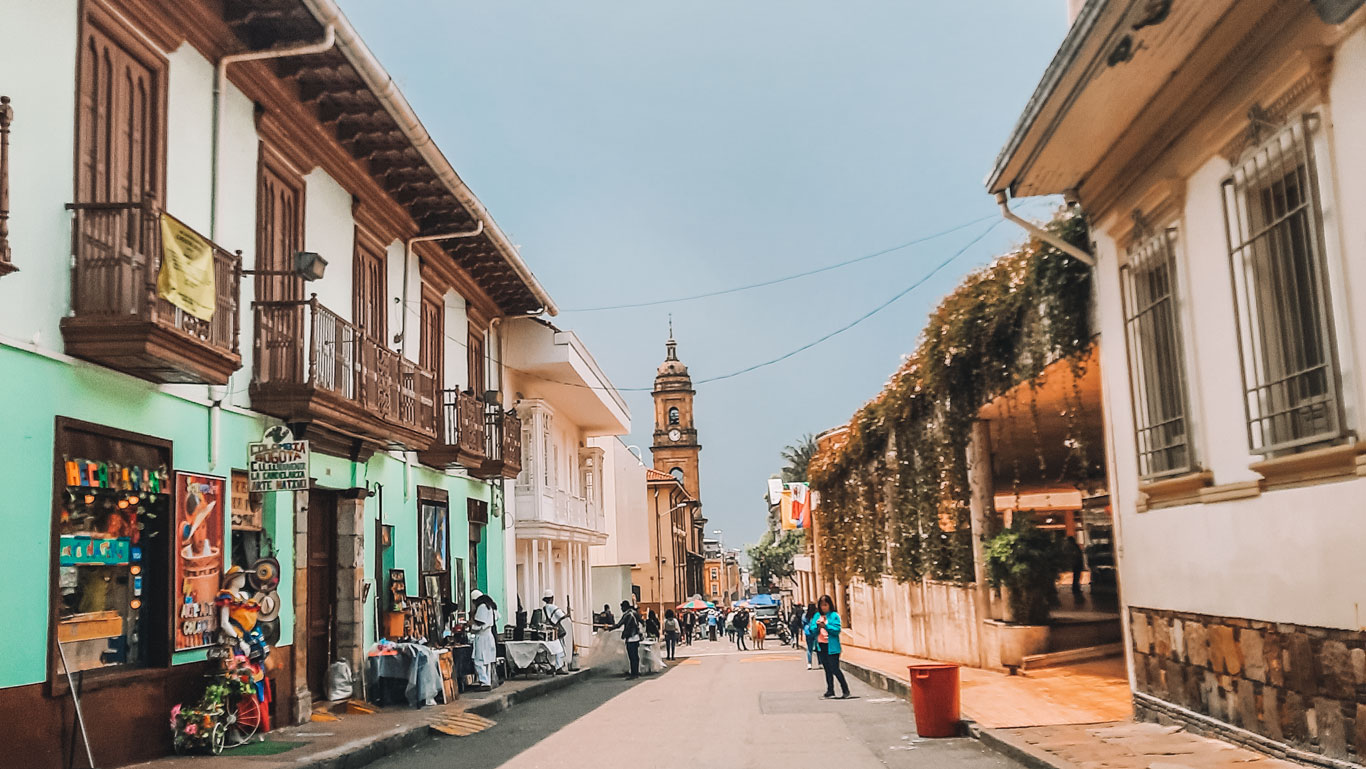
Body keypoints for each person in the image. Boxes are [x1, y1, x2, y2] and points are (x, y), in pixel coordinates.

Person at [810, 595, 851, 699]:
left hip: (832, 646)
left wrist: (826, 626)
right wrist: (817, 626)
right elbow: (812, 629)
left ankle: (845, 689)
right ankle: (830, 690)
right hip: (821, 645)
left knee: (834, 668)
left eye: (825, 605)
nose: (823, 607)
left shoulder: (834, 616)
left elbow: (837, 629)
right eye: (821, 605)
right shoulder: (817, 616)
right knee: (827, 669)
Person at [468, 590, 500, 691]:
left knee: (479, 660)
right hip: (489, 636)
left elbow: (480, 624)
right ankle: (488, 680)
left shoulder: (482, 607)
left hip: (482, 637)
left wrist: (470, 625)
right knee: (488, 660)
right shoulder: (489, 606)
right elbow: (497, 617)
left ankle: (484, 681)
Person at [609, 600, 643, 679]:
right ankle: (636, 673)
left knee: (632, 657)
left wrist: (609, 628)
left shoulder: (627, 615)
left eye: (622, 607)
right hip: (636, 637)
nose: (621, 609)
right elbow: (641, 621)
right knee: (636, 657)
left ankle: (633, 674)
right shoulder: (634, 613)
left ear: (625, 607)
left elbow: (618, 625)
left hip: (630, 638)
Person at [541, 589, 572, 674]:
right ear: (552, 598)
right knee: (559, 649)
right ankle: (558, 667)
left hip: (548, 631)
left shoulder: (544, 608)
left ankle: (552, 666)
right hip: (555, 631)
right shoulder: (552, 607)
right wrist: (568, 614)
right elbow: (561, 616)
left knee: (550, 650)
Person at [802, 603, 819, 670]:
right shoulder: (816, 615)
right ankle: (820, 663)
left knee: (809, 649)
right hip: (815, 632)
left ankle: (809, 663)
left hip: (808, 633)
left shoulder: (805, 615)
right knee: (818, 648)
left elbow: (803, 623)